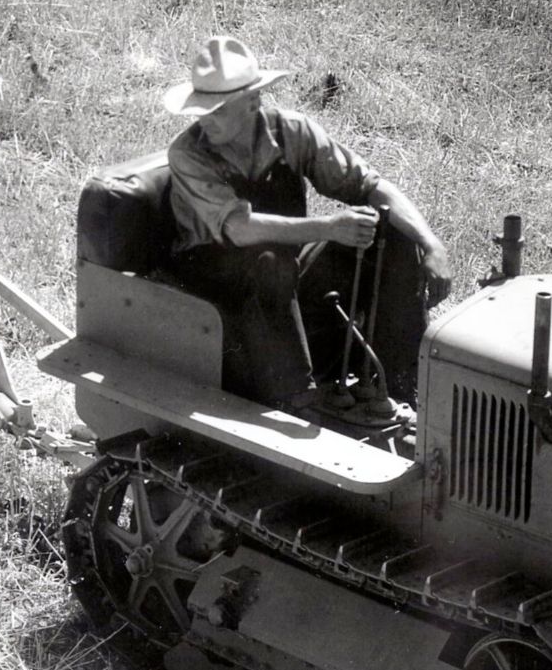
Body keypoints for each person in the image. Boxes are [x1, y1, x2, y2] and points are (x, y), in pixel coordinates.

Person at [162, 35, 452, 418]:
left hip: (281, 282)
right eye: (201, 109)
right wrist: (329, 228)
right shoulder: (188, 154)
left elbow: (371, 186)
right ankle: (296, 400)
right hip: (214, 298)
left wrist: (432, 245)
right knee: (268, 261)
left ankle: (400, 382)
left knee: (387, 231)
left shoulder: (293, 133)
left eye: (215, 109)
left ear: (252, 103)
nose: (204, 119)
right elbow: (240, 229)